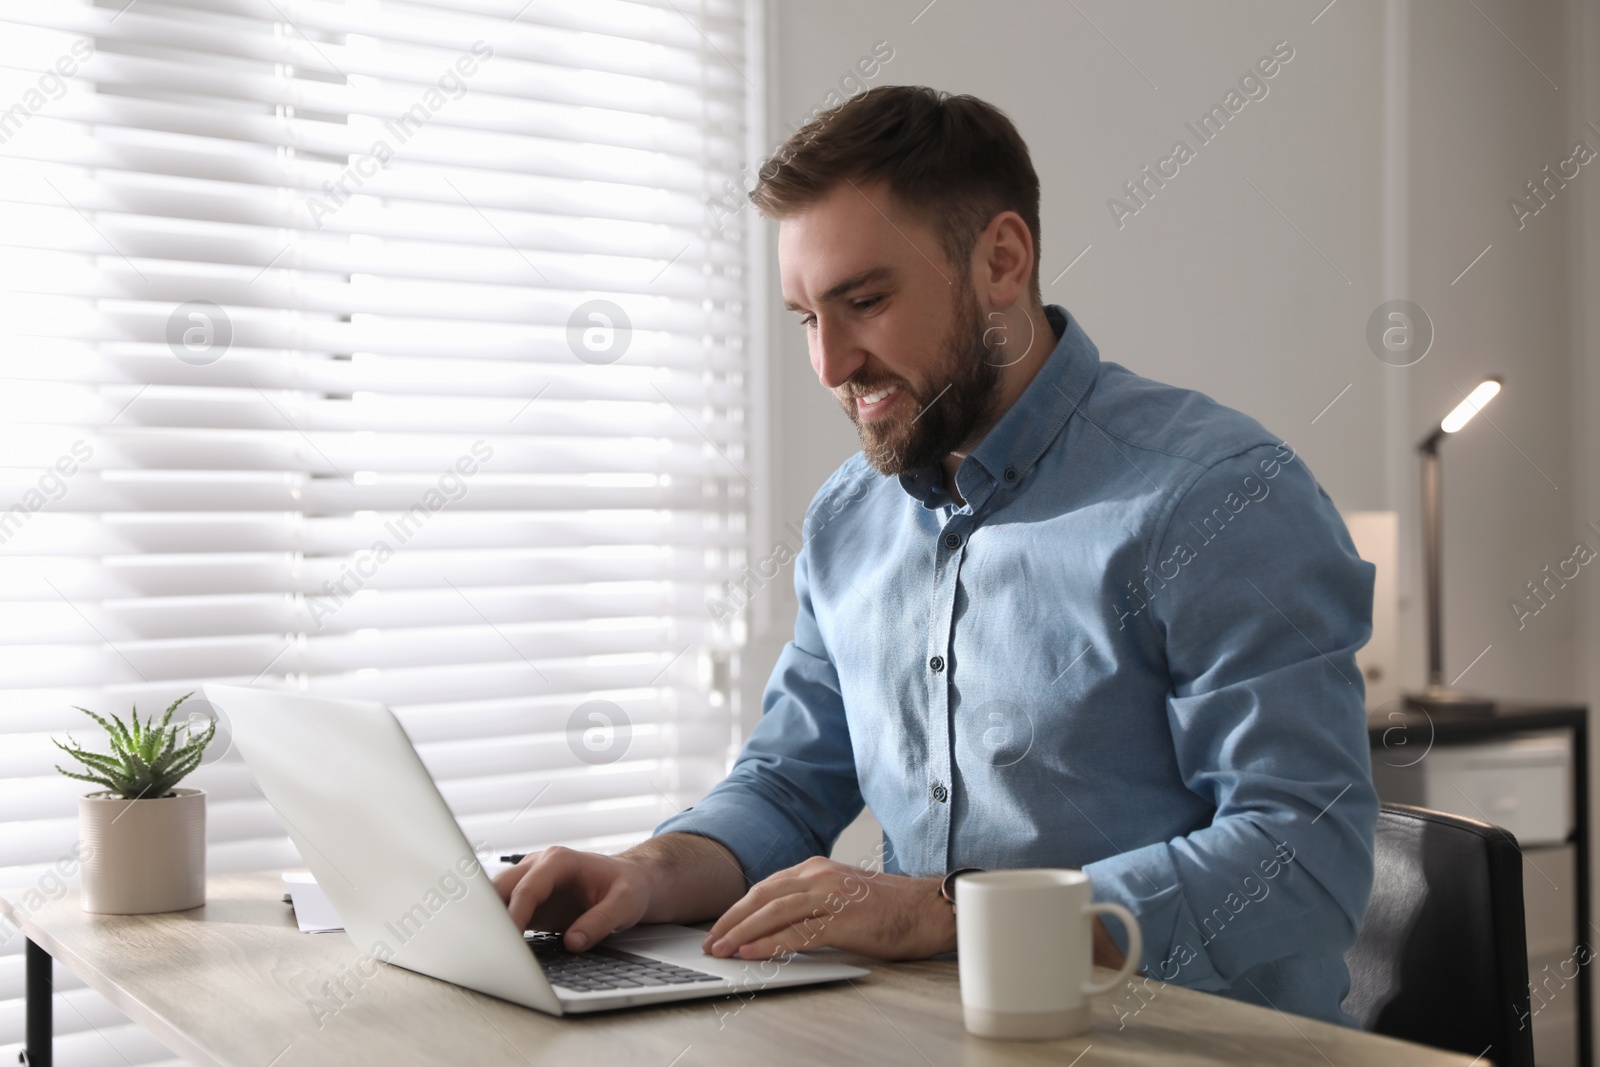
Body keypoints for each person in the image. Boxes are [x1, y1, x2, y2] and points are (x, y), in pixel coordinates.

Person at [495, 85, 1378, 1026]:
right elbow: (791, 784)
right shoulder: (849, 518)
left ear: (1002, 259)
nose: (831, 364)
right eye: (805, 317)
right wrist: (646, 871)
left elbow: (1303, 858)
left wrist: (950, 911)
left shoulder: (1216, 496)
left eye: (865, 301)